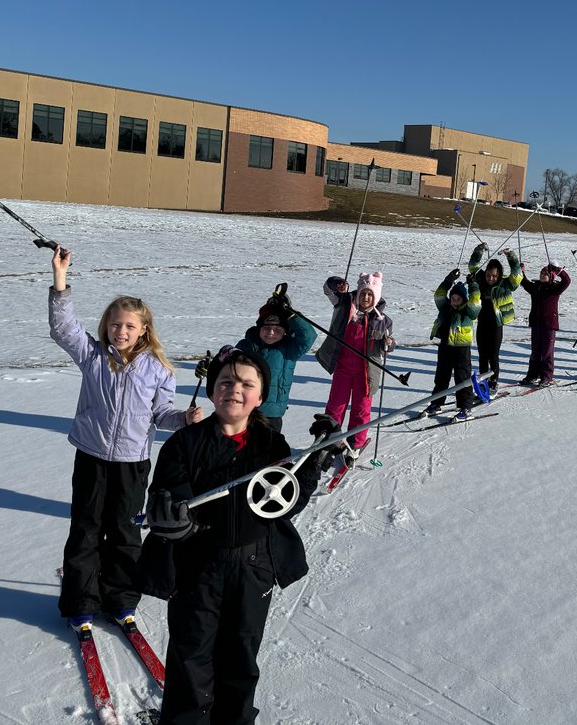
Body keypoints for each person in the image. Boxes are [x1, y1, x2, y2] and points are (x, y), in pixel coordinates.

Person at [139, 347, 329, 725]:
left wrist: (313, 464)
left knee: (240, 657)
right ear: (213, 391)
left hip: (253, 566)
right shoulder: (184, 443)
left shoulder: (271, 446)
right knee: (191, 656)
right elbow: (166, 492)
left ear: (260, 396)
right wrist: (170, 516)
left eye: (246, 384)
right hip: (198, 568)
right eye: (226, 382)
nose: (235, 390)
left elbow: (285, 502)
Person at [48, 245, 197, 632]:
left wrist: (184, 418)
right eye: (116, 325)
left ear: (144, 329)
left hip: (133, 462)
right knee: (85, 528)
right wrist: (60, 278)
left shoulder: (158, 370)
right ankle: (81, 601)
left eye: (130, 326)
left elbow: (162, 415)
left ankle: (120, 597)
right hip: (92, 457)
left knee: (126, 530)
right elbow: (63, 328)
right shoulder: (94, 357)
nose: (122, 331)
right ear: (106, 327)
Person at [315, 272, 394, 462]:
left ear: (375, 297)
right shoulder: (344, 306)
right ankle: (330, 439)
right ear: (357, 293)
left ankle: (356, 443)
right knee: (335, 406)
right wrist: (338, 284)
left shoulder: (383, 320)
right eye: (363, 293)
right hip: (342, 368)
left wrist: (389, 344)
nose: (366, 298)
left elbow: (389, 346)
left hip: (366, 372)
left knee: (361, 409)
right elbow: (328, 289)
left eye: (370, 295)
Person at [235, 288, 317, 433]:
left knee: (270, 450)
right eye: (267, 328)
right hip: (247, 409)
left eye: (277, 330)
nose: (271, 333)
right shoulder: (249, 345)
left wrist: (290, 314)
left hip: (273, 414)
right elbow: (229, 363)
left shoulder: (290, 349)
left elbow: (308, 335)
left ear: (285, 331)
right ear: (259, 328)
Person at [426, 269, 482, 416]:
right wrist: (449, 280)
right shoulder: (445, 308)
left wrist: (473, 285)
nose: (455, 301)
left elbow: (476, 303)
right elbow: (438, 295)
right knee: (441, 377)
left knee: (462, 378)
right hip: (445, 346)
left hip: (462, 349)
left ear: (464, 300)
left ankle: (465, 406)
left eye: (459, 299)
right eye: (453, 298)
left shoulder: (468, 312)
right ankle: (436, 403)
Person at [468, 242, 522, 395]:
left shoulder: (505, 284)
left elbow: (517, 275)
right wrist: (479, 249)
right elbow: (473, 264)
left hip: (496, 324)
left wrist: (511, 255)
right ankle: (483, 381)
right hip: (482, 323)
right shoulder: (480, 279)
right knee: (482, 355)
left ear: (499, 275)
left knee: (493, 355)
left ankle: (494, 382)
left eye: (494, 276)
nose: (491, 278)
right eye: (488, 275)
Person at [519, 260, 571, 386]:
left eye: (545, 274)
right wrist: (520, 272)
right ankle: (532, 375)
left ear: (551, 276)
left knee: (547, 352)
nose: (542, 275)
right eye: (541, 273)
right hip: (536, 323)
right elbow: (524, 282)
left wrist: (559, 271)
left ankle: (546, 377)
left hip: (549, 325)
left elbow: (567, 281)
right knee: (535, 351)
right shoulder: (535, 287)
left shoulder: (555, 289)